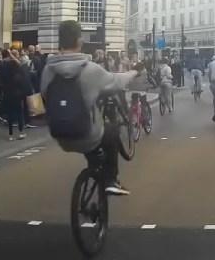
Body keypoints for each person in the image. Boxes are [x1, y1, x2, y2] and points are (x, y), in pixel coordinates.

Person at [41, 20, 141, 196]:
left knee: (93, 143)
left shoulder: (48, 70)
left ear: (59, 43)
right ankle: (111, 180)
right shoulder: (89, 69)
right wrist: (133, 72)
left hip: (59, 134)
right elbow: (116, 81)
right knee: (110, 133)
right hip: (85, 134)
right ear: (80, 42)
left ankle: (94, 167)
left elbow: (44, 95)